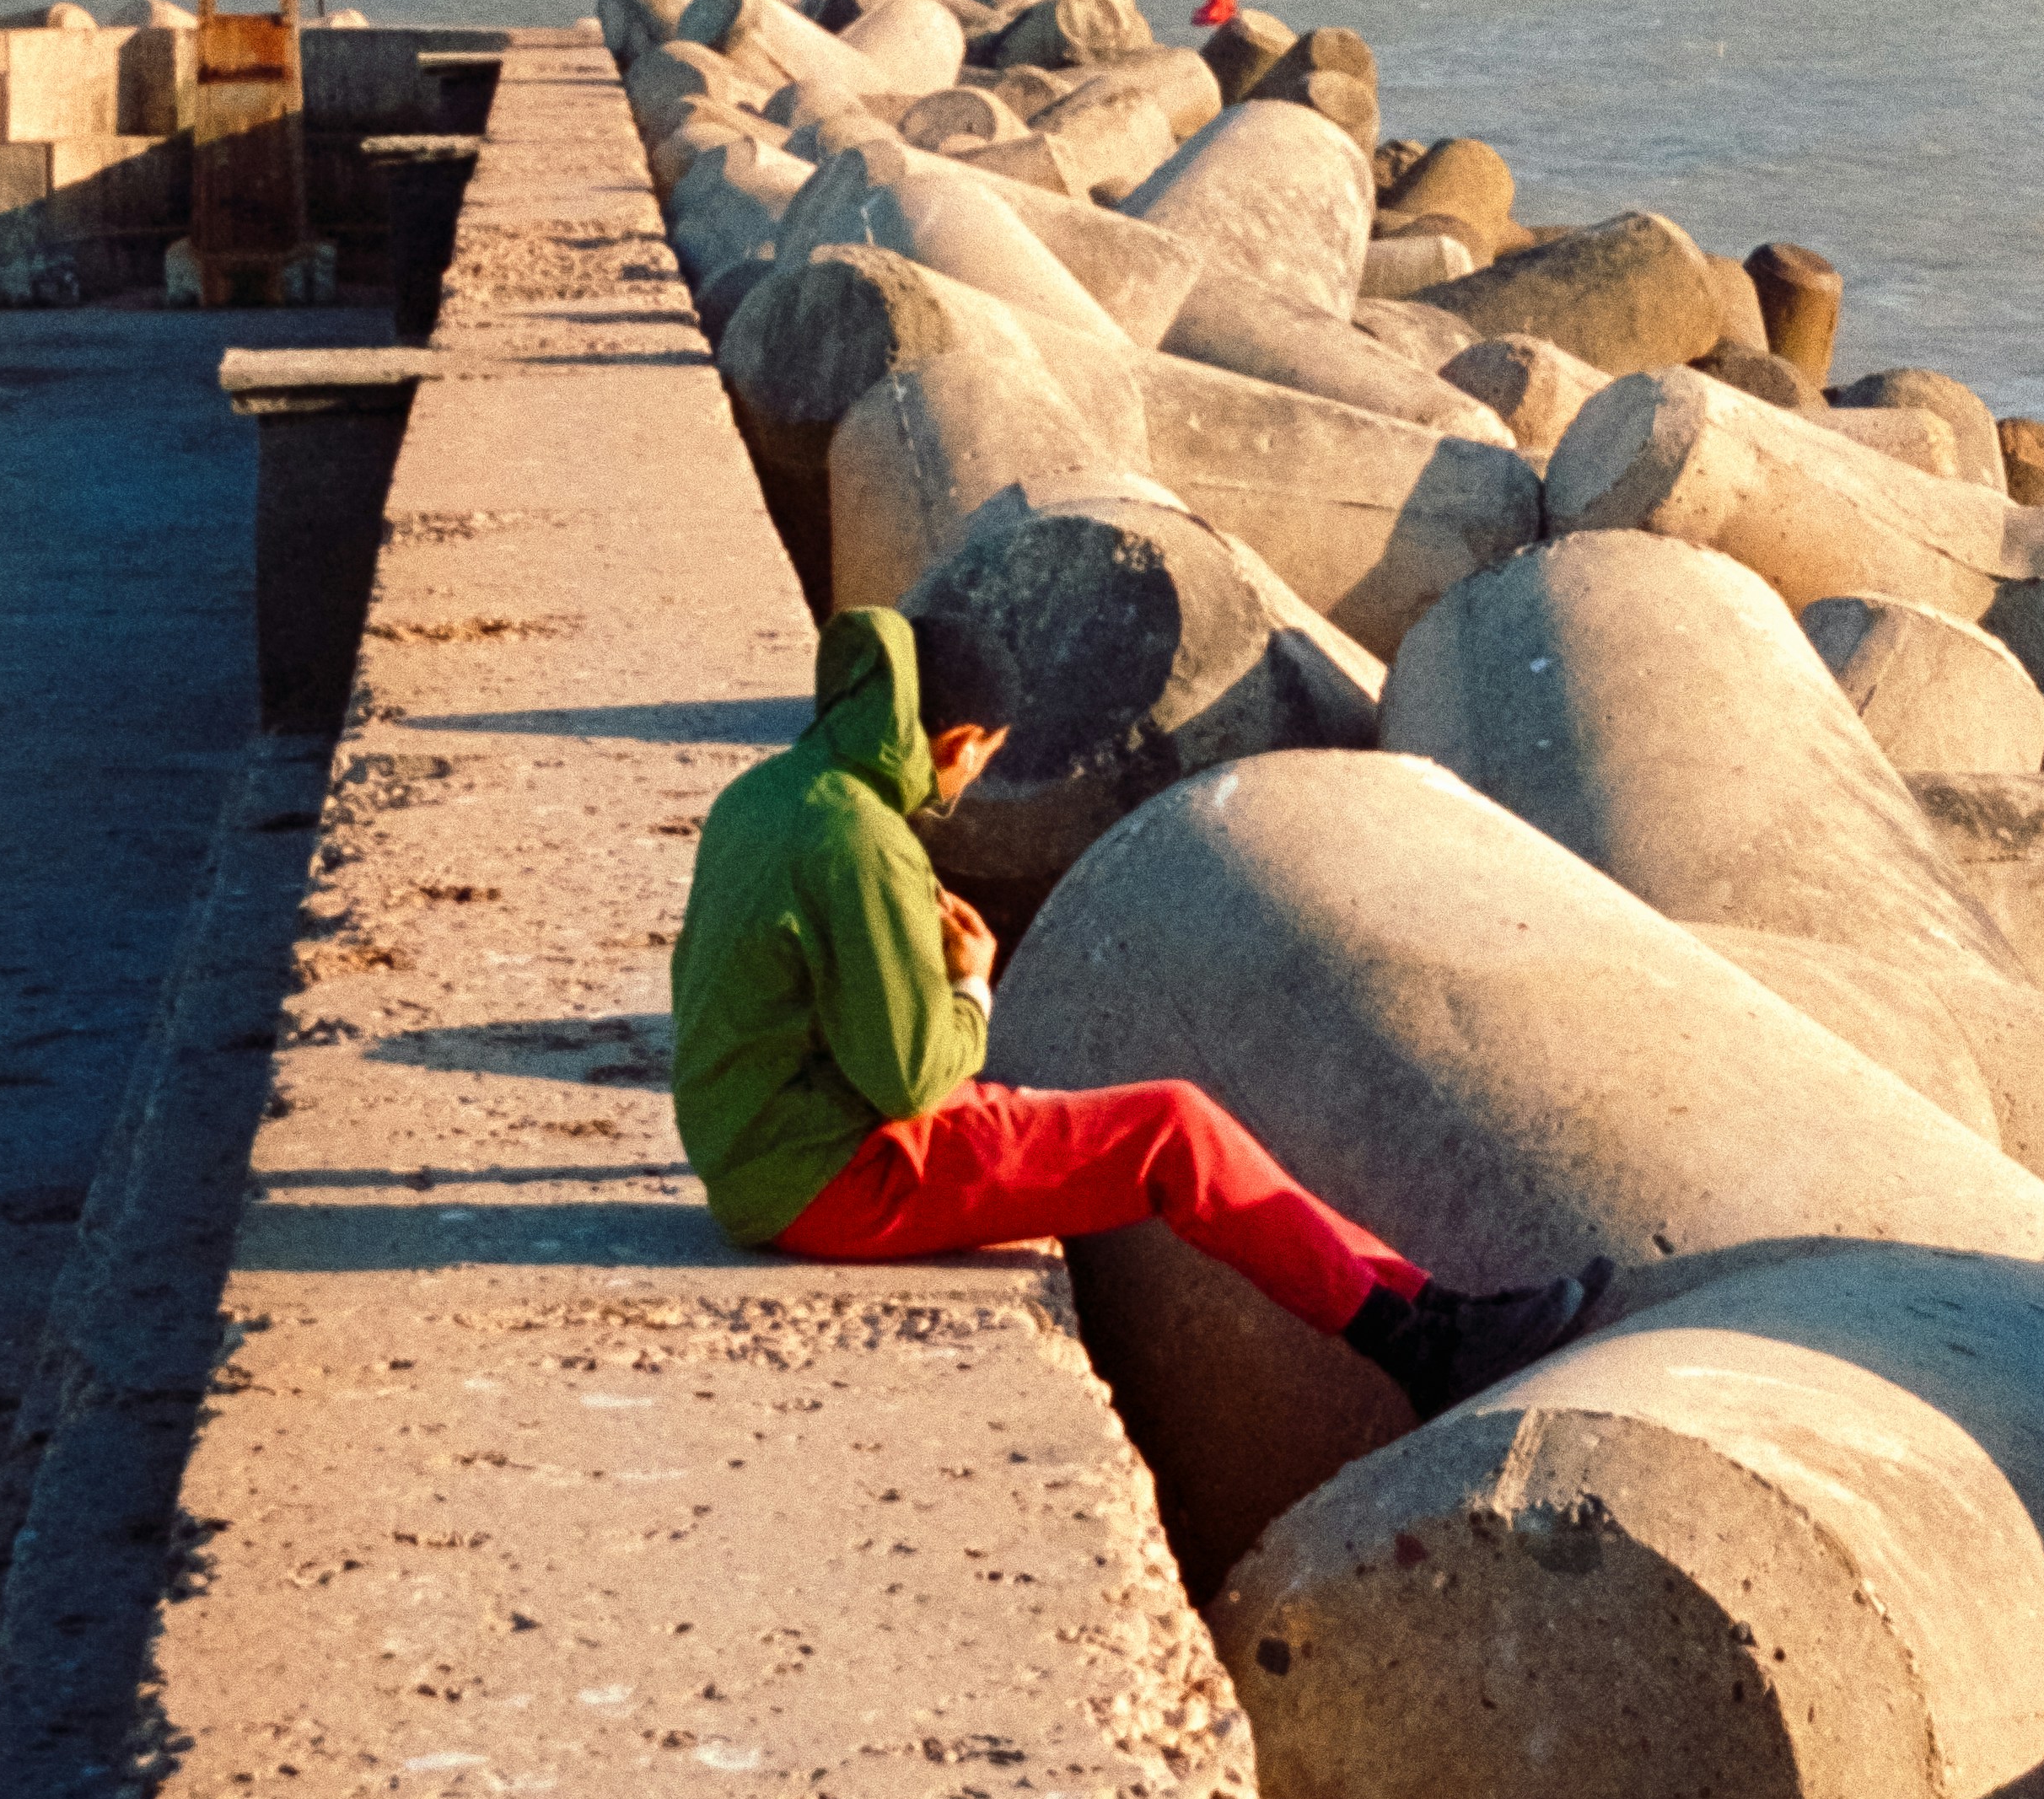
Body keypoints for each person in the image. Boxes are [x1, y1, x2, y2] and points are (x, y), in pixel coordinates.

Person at [669, 602, 1611, 1421]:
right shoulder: (861, 840)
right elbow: (913, 1077)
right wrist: (969, 982)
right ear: (956, 743)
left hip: (771, 1142)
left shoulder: (771, 790)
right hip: (821, 1178)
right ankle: (1414, 1348)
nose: (962, 789)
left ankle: (1431, 1307)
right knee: (1171, 1128)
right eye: (979, 764)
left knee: (1120, 1116)